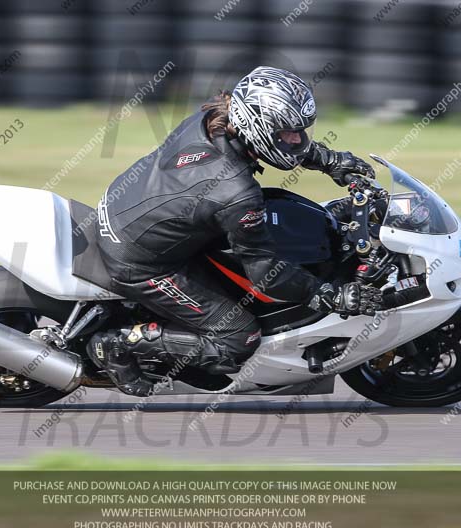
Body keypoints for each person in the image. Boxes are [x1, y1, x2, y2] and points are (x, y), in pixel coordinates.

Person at [88, 66, 382, 396]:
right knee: (238, 338)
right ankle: (118, 343)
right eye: (289, 133)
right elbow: (266, 273)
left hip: (131, 208)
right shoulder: (236, 193)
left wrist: (327, 159)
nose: (298, 140)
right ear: (258, 127)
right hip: (140, 261)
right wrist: (328, 294)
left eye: (301, 132)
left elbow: (273, 144)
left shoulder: (213, 118)